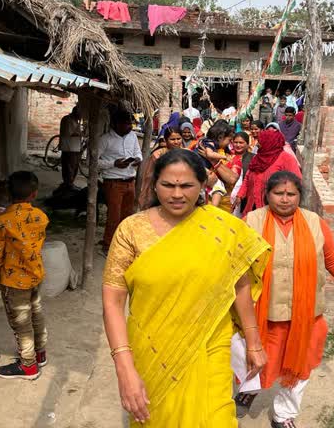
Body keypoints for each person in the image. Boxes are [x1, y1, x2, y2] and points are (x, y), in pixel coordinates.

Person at [102, 150, 271, 426]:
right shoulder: (131, 231)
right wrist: (124, 368)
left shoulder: (222, 229)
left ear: (203, 185)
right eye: (168, 185)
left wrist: (253, 342)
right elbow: (112, 301)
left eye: (186, 186)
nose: (177, 194)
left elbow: (239, 283)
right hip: (154, 350)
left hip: (209, 347)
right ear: (154, 184)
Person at [234, 172, 334, 426]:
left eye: (291, 194)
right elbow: (235, 267)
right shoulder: (251, 222)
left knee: (299, 366)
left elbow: (332, 259)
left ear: (300, 196)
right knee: (253, 360)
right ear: (266, 194)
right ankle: (249, 391)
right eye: (278, 193)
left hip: (305, 316)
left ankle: (284, 413)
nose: (284, 199)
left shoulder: (315, 223)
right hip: (263, 315)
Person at [0, 171, 50, 380]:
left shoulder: (2, 222)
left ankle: (28, 366)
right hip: (35, 275)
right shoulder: (41, 217)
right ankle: (40, 353)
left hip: (13, 281)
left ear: (7, 193)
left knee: (21, 322)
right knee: (36, 313)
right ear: (34, 194)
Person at [99, 111, 143, 251]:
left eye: (130, 123)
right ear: (116, 124)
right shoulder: (105, 139)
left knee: (127, 215)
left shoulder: (133, 136)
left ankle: (123, 244)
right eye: (126, 124)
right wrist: (113, 163)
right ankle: (108, 245)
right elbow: (91, 161)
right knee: (114, 216)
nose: (129, 126)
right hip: (113, 182)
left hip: (130, 180)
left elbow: (138, 153)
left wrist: (136, 160)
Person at [238, 130, 301, 217]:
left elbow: (296, 183)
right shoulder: (257, 158)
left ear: (269, 142)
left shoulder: (286, 159)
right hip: (252, 207)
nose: (257, 144)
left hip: (274, 210)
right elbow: (247, 177)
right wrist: (240, 195)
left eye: (260, 141)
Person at [197, 121, 241, 213]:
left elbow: (232, 179)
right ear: (220, 138)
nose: (231, 142)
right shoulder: (203, 149)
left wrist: (213, 161)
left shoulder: (232, 156)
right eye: (229, 140)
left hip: (225, 204)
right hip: (202, 200)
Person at [138, 128, 184, 210]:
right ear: (166, 140)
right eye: (172, 139)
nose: (176, 142)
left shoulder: (187, 154)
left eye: (178, 138)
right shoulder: (157, 155)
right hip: (162, 191)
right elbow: (149, 177)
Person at [229, 132, 254, 216]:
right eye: (236, 142)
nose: (238, 145)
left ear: (247, 144)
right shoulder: (227, 156)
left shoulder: (253, 158)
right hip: (226, 195)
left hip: (243, 196)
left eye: (241, 142)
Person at [59, 107, 82, 189]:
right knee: (69, 168)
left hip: (75, 148)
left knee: (74, 167)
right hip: (69, 148)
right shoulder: (67, 120)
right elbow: (69, 133)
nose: (81, 117)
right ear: (76, 113)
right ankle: (68, 185)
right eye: (80, 114)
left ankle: (70, 184)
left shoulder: (76, 121)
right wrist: (81, 134)